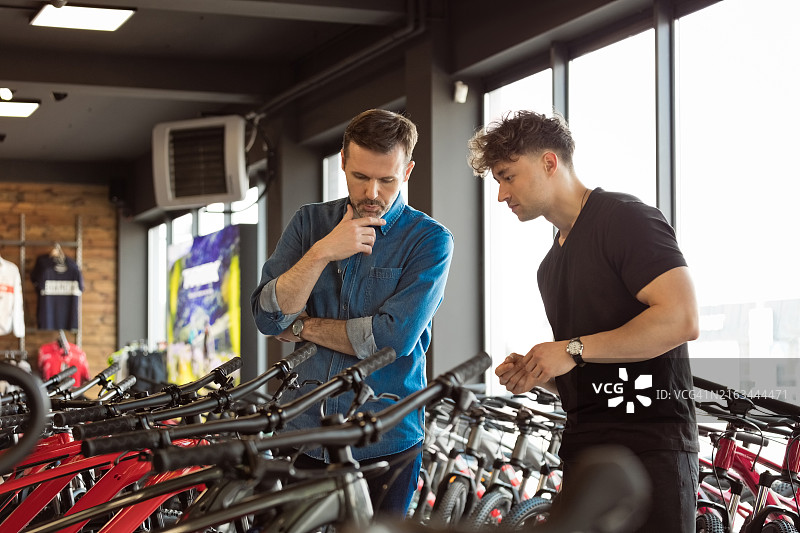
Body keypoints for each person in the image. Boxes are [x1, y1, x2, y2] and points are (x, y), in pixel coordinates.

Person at [467, 110, 699, 532]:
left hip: (650, 449)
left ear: (549, 163)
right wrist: (542, 372)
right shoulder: (548, 267)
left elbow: (681, 318)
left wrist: (571, 349)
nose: (501, 195)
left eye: (507, 176)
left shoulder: (626, 218)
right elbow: (588, 366)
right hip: (584, 452)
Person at [251, 109, 454, 516]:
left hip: (385, 439)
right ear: (343, 162)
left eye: (387, 179)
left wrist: (304, 325)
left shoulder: (430, 241)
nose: (373, 192)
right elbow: (268, 317)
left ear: (408, 171)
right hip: (303, 431)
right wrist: (324, 250)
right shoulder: (310, 224)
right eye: (361, 177)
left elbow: (388, 341)